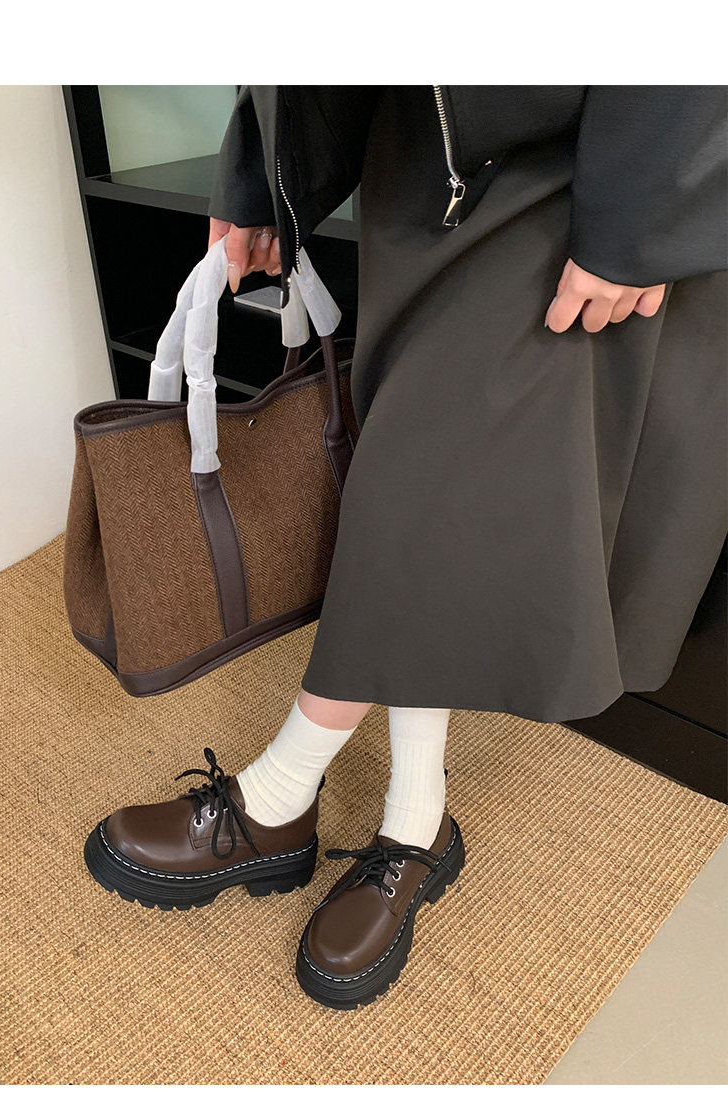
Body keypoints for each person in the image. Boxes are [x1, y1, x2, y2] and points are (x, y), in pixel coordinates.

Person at [85, 86, 727, 1010]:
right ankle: (417, 819)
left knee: (425, 483)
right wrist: (262, 179)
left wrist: (643, 204)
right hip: (417, 160)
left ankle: (282, 794)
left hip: (577, 158)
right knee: (414, 491)